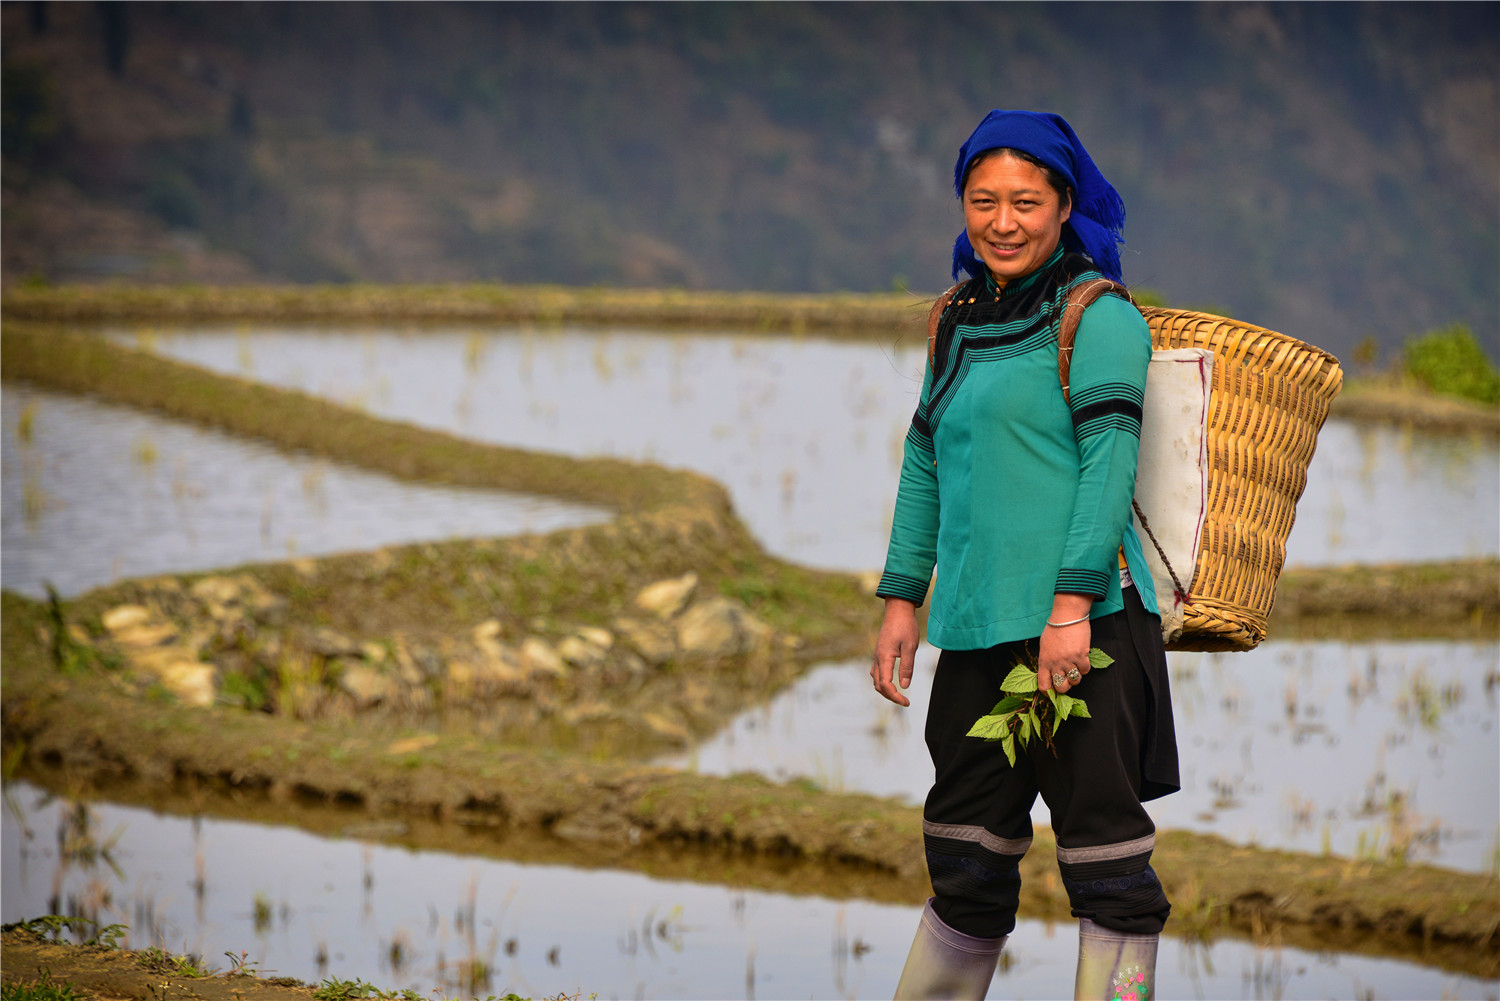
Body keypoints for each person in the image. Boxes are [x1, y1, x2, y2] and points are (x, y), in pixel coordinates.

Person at [871, 110, 1179, 1001]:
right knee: (965, 860)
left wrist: (1071, 607)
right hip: (975, 632)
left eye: (1025, 201)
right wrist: (902, 597)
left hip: (1086, 632)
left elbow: (1107, 466)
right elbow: (927, 455)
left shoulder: (1099, 315)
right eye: (982, 200)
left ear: (1064, 204)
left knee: (1108, 867)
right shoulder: (955, 319)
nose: (1002, 221)